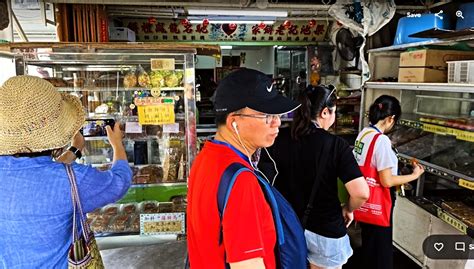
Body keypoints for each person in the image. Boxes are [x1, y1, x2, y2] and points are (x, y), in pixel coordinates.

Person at [0, 75, 132, 268]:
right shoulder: (73, 180)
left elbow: (34, 171)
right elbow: (119, 182)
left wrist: (74, 151)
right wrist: (117, 144)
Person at [187, 68, 300, 269]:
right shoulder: (241, 181)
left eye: (276, 114)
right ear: (234, 122)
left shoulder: (206, 157)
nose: (277, 122)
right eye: (266, 115)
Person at [258, 85, 369, 269]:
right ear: (325, 112)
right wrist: (348, 208)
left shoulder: (278, 137)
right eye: (334, 112)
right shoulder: (336, 145)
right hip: (325, 233)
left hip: (286, 227)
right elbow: (361, 193)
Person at [352, 95, 424, 269]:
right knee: (381, 253)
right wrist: (415, 175)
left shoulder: (364, 133)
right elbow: (386, 180)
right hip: (378, 205)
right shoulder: (381, 141)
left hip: (365, 200)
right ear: (391, 118)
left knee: (370, 247)